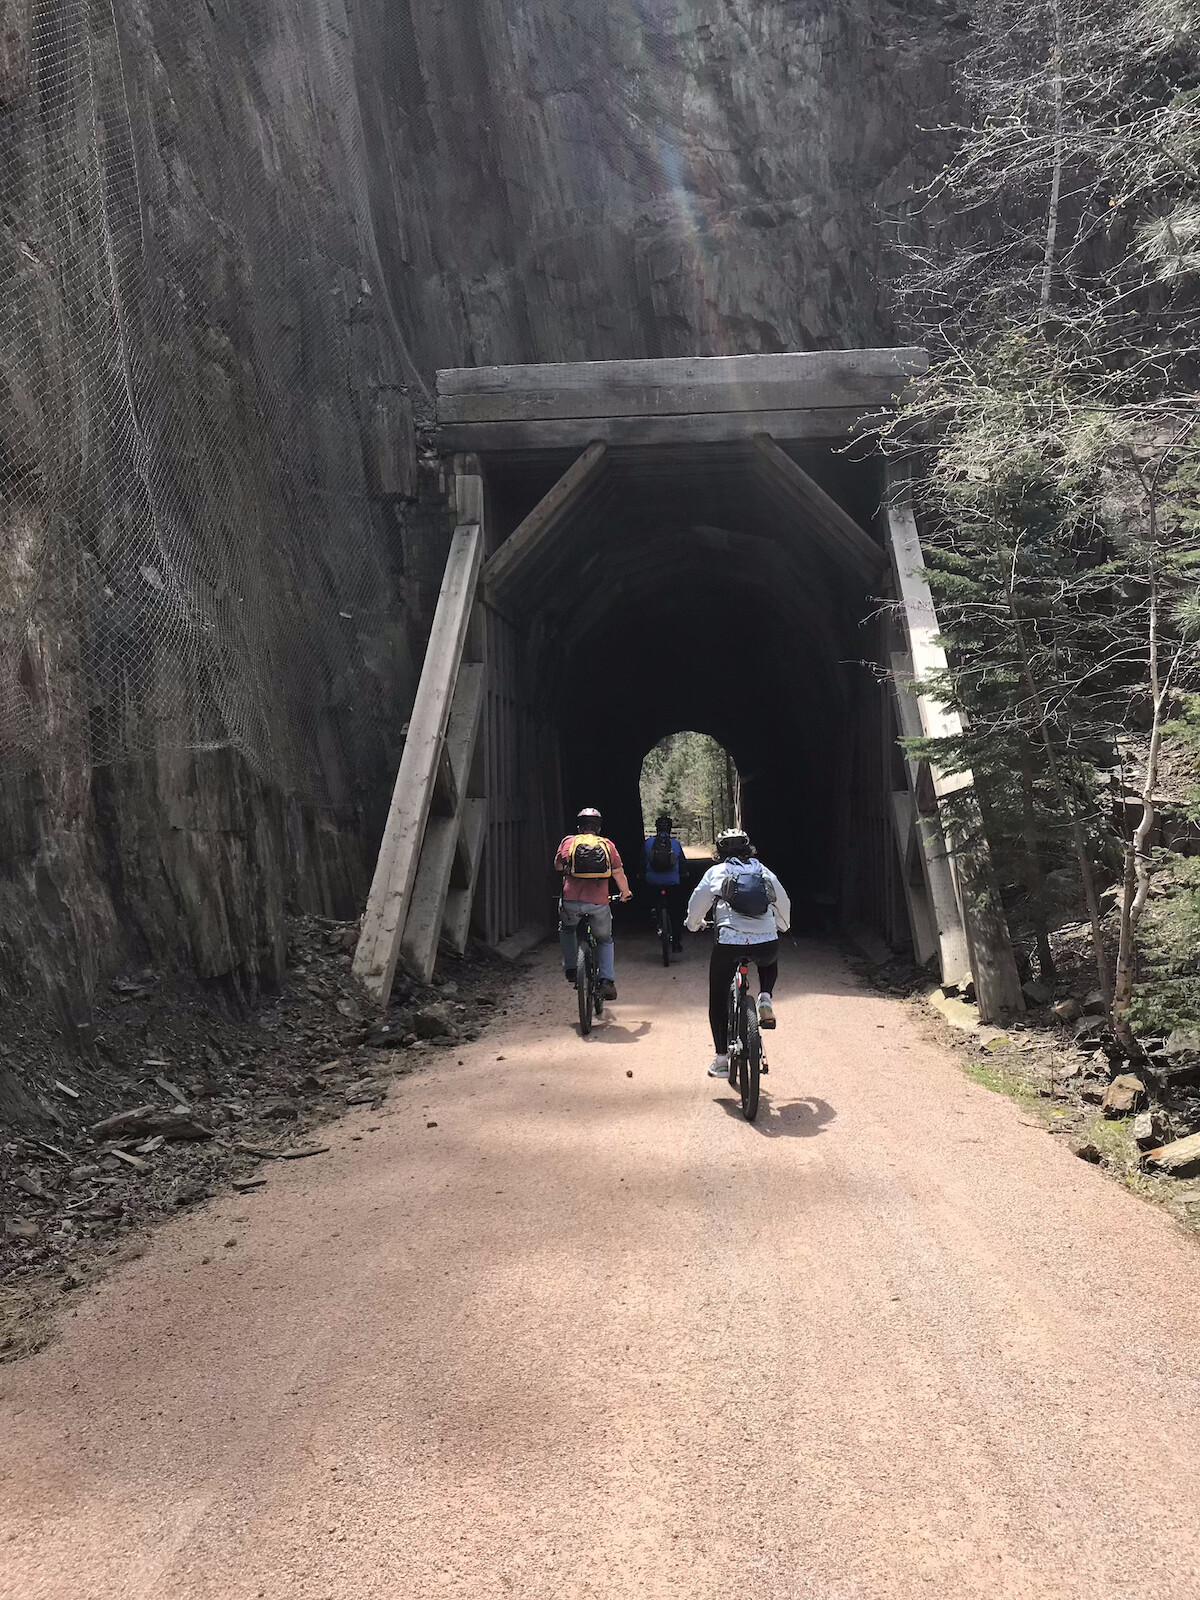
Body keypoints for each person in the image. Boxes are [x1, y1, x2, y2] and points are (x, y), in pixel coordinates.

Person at [686, 827, 791, 1077]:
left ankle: (722, 1059)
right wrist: (782, 926)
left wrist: (693, 924)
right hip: (765, 942)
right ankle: (765, 997)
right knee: (768, 956)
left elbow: (698, 902)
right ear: (748, 848)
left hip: (729, 943)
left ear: (719, 851)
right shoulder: (763, 870)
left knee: (718, 998)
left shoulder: (716, 872)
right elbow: (782, 901)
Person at [554, 807, 632, 1000]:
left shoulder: (568, 842)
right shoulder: (607, 845)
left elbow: (557, 866)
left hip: (571, 901)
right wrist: (625, 893)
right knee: (605, 940)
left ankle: (572, 968)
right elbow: (618, 873)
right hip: (598, 903)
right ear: (598, 828)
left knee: (566, 928)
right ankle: (606, 980)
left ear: (579, 827)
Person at [640, 813, 688, 954]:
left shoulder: (648, 843)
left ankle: (652, 913)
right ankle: (677, 942)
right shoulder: (675, 844)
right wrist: (684, 873)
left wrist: (641, 874)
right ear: (670, 829)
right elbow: (682, 862)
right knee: (676, 911)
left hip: (652, 881)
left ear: (656, 828)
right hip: (672, 881)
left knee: (650, 898)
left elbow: (642, 862)